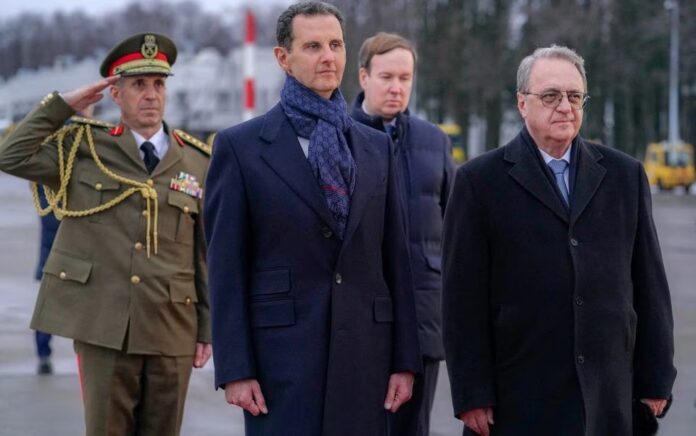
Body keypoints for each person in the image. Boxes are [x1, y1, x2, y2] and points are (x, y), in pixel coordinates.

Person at [204, 2, 422, 435]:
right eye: (313, 46)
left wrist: (405, 360)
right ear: (283, 58)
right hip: (280, 362)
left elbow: (396, 258)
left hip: (366, 355)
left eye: (337, 44)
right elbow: (225, 267)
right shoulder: (241, 148)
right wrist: (236, 368)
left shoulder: (375, 147)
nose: (329, 56)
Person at [442, 45, 676, 436]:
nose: (564, 106)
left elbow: (650, 286)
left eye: (574, 96)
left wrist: (656, 378)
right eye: (550, 96)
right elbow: (461, 300)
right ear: (522, 103)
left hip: (609, 396)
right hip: (519, 396)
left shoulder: (625, 176)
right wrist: (471, 392)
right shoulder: (479, 182)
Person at [0, 32, 212, 435]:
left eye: (158, 84)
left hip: (172, 328)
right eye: (138, 85)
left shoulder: (197, 160)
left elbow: (202, 253)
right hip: (105, 327)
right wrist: (62, 106)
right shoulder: (84, 149)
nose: (151, 95)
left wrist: (206, 329)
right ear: (115, 93)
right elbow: (11, 155)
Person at [350, 32, 455, 436]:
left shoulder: (435, 142)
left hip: (424, 315)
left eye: (405, 78)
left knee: (414, 428)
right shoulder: (339, 139)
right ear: (363, 76)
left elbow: (457, 228)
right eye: (387, 76)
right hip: (360, 316)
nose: (396, 87)